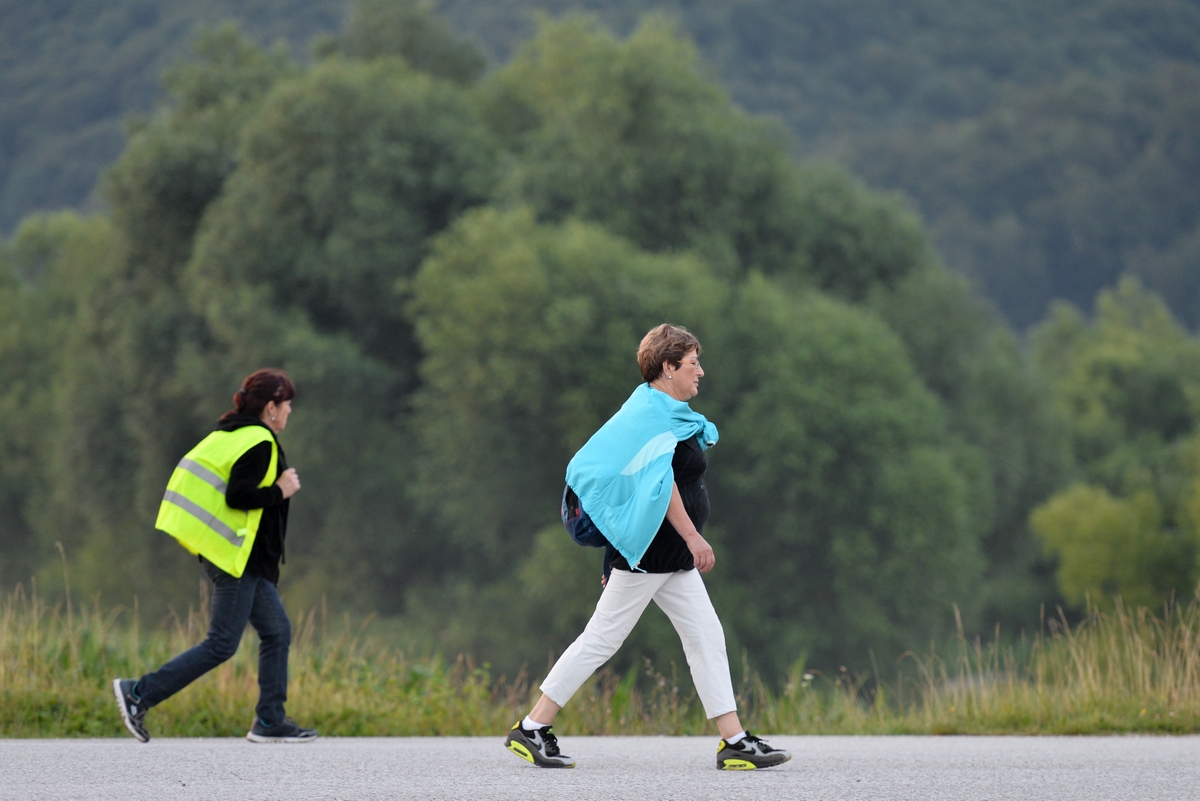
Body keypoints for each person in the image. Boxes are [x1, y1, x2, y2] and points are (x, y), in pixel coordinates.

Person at [505, 324, 792, 771]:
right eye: (693, 364)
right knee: (602, 640)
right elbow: (658, 483)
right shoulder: (651, 414)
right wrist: (692, 536)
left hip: (666, 556)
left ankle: (734, 741)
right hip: (655, 554)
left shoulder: (665, 411)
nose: (701, 372)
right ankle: (532, 728)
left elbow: (631, 487)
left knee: (705, 638)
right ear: (668, 367)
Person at [113, 368, 317, 744]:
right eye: (287, 405)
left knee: (277, 632)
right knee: (222, 643)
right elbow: (238, 496)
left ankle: (270, 720)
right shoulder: (259, 441)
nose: (289, 412)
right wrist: (280, 490)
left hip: (242, 559)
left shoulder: (232, 432)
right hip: (235, 558)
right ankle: (138, 694)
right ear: (271, 407)